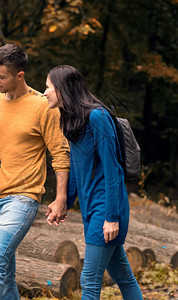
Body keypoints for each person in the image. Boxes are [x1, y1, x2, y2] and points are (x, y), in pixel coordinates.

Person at [0, 44, 70, 300]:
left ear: (20, 75)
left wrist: (60, 198)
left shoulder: (44, 107)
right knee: (3, 273)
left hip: (22, 199)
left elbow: (60, 155)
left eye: (1, 76)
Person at [44, 65, 143, 300]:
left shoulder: (97, 117)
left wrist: (111, 217)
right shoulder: (71, 119)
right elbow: (77, 169)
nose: (44, 92)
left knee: (89, 281)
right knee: (124, 277)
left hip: (106, 209)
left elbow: (113, 171)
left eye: (47, 87)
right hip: (91, 210)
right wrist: (64, 203)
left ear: (62, 89)